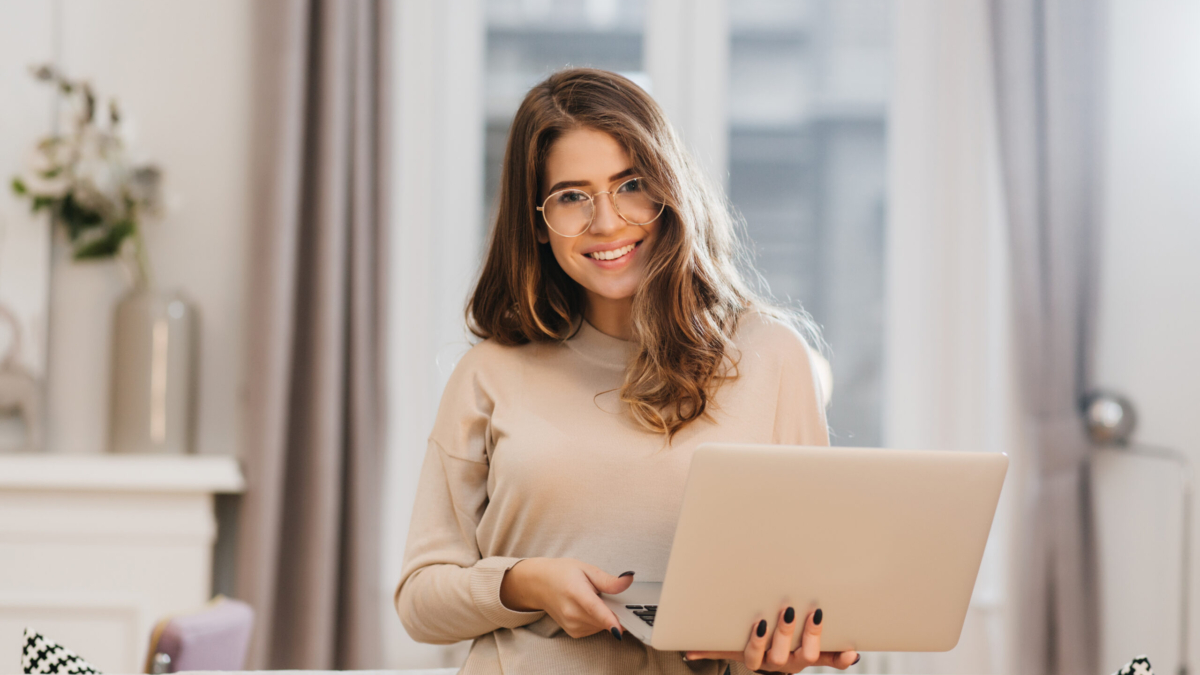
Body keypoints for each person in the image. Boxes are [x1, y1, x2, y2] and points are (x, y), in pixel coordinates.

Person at [394, 67, 858, 675]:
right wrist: (524, 583)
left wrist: (789, 648)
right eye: (571, 196)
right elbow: (421, 600)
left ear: (669, 190)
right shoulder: (489, 374)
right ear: (536, 221)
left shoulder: (773, 357)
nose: (607, 222)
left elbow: (806, 590)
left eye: (631, 185)